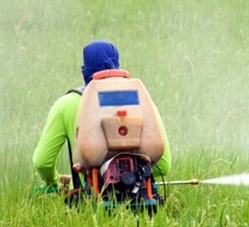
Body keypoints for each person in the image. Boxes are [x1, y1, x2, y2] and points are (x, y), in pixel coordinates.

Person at [32, 40, 171, 192]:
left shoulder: (66, 104)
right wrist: (136, 174)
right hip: (138, 195)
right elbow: (164, 165)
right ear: (117, 66)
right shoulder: (141, 102)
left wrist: (55, 182)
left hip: (86, 200)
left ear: (85, 69)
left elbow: (42, 162)